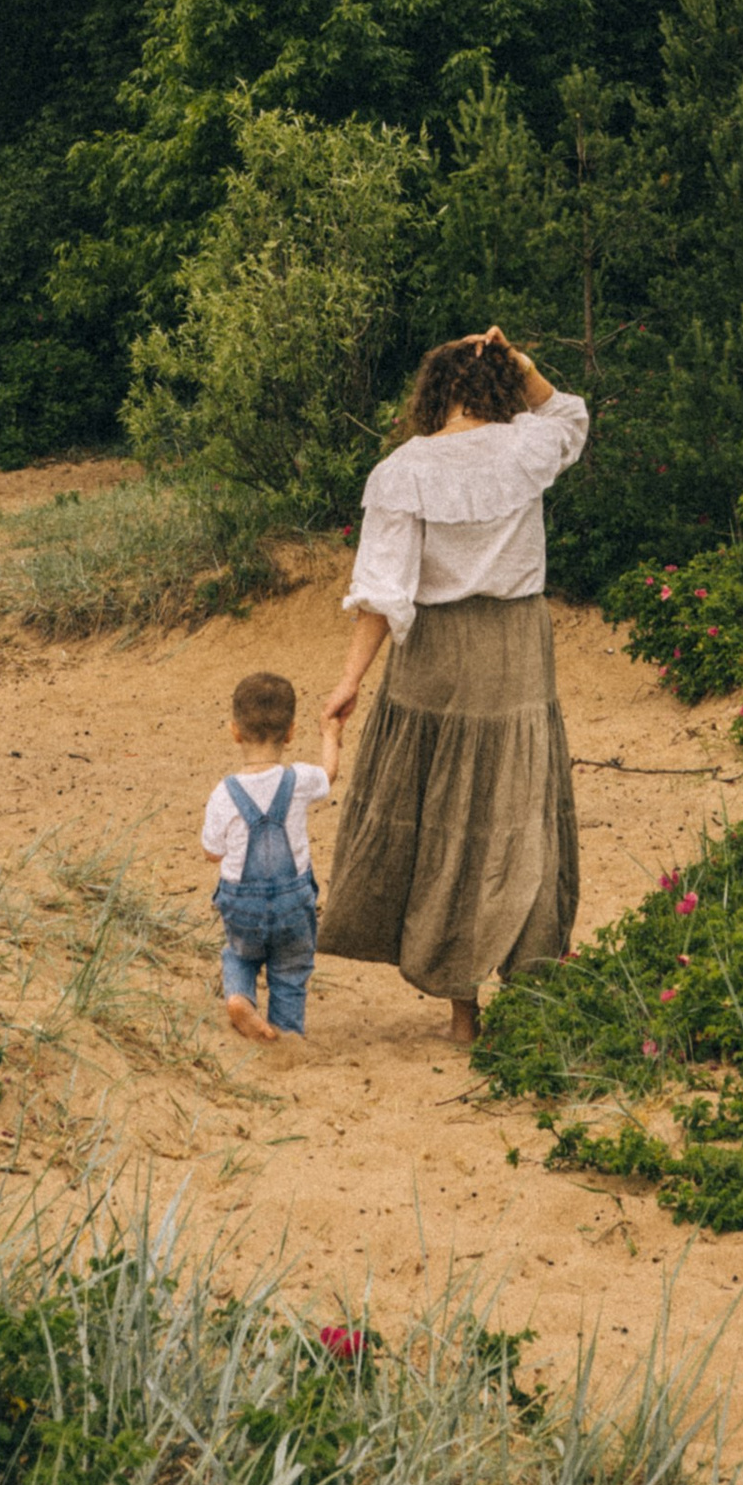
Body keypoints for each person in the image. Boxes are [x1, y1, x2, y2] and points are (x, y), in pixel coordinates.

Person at [320, 324, 587, 1046]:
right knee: (514, 810)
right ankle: (527, 986)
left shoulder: (403, 470)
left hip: (435, 654)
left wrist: (348, 683)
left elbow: (382, 592)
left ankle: (462, 1013)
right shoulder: (530, 445)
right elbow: (569, 413)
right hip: (515, 651)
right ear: (499, 387)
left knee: (446, 817)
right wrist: (522, 363)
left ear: (433, 391)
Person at [200, 665, 335, 1044]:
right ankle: (287, 1038)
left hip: (243, 906)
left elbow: (212, 852)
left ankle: (241, 998)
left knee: (239, 955)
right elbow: (330, 773)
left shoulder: (224, 793)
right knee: (291, 970)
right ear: (291, 733)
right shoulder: (299, 781)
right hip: (294, 904)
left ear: (234, 732)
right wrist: (331, 733)